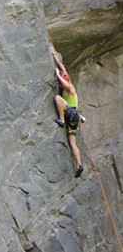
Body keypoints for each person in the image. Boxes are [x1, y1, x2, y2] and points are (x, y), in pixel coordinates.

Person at [51, 50, 84, 178]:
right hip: (75, 117)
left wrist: (57, 75)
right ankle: (79, 165)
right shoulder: (69, 82)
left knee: (58, 99)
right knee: (72, 142)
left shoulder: (69, 88)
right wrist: (56, 59)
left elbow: (63, 80)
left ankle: (61, 120)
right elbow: (64, 70)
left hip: (71, 114)